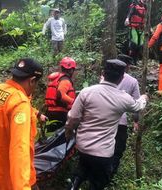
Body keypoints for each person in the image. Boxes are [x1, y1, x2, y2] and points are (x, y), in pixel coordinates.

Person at [65, 59, 148, 190]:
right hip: (103, 152)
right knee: (98, 183)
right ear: (121, 78)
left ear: (103, 73)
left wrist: (68, 132)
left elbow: (73, 117)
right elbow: (138, 106)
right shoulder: (124, 98)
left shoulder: (87, 92)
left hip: (83, 147)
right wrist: (144, 98)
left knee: (81, 170)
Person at [0, 58, 45, 190]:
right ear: (32, 81)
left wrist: (36, 113)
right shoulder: (19, 102)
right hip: (7, 181)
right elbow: (20, 149)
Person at [111, 54, 141, 177]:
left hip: (103, 119)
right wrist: (136, 121)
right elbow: (136, 103)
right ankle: (110, 174)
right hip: (120, 122)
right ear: (127, 66)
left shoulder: (107, 77)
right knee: (118, 149)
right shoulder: (133, 81)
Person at [45, 57, 76, 132]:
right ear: (72, 70)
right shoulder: (65, 80)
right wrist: (74, 102)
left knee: (50, 138)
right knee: (60, 139)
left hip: (50, 112)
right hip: (60, 114)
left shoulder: (57, 79)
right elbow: (60, 95)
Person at [125, 0, 147, 64]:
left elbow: (146, 18)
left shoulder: (145, 7)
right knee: (134, 44)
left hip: (141, 28)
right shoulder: (134, 5)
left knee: (140, 45)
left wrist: (149, 27)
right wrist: (127, 18)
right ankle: (130, 60)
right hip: (134, 27)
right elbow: (130, 13)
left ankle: (136, 60)